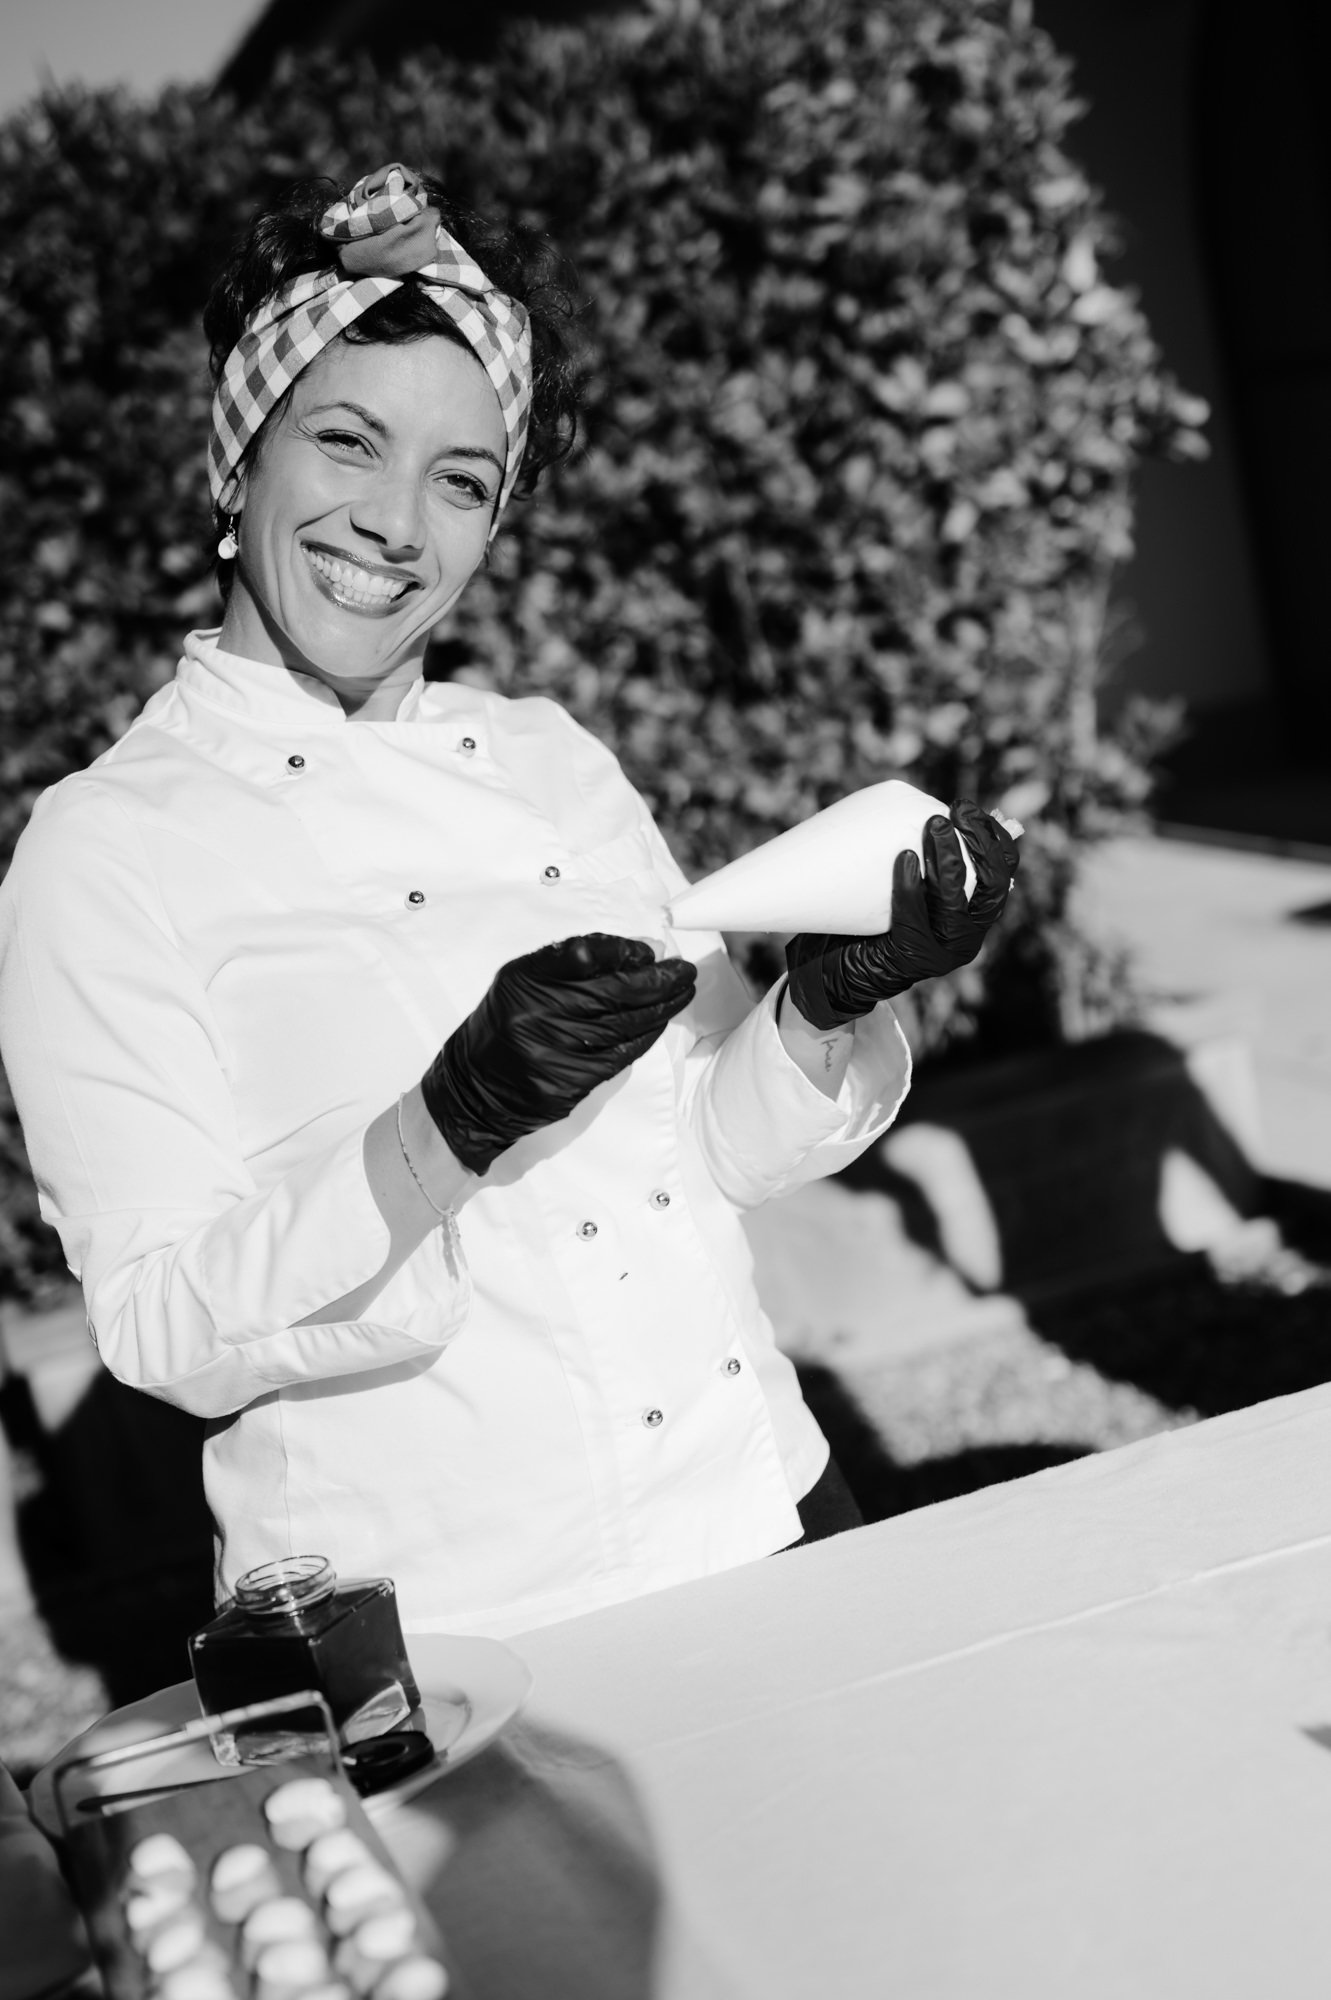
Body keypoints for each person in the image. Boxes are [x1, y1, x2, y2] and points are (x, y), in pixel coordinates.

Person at [0, 164, 1019, 1639]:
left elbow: (712, 1147)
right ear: (237, 463)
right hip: (459, 1624)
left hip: (764, 1508)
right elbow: (164, 1323)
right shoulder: (104, 850)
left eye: (461, 480)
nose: (396, 524)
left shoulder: (548, 754)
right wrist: (447, 1127)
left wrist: (830, 998)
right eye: (347, 441)